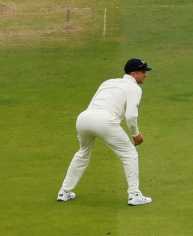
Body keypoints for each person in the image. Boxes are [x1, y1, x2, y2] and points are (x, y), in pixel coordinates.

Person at [57, 59, 154, 206]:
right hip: (104, 121)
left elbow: (97, 104)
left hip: (84, 118)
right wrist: (135, 134)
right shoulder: (135, 89)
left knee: (83, 152)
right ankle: (134, 195)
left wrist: (112, 125)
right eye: (143, 72)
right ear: (133, 74)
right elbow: (131, 116)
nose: (145, 75)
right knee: (130, 154)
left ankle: (64, 192)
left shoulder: (108, 82)